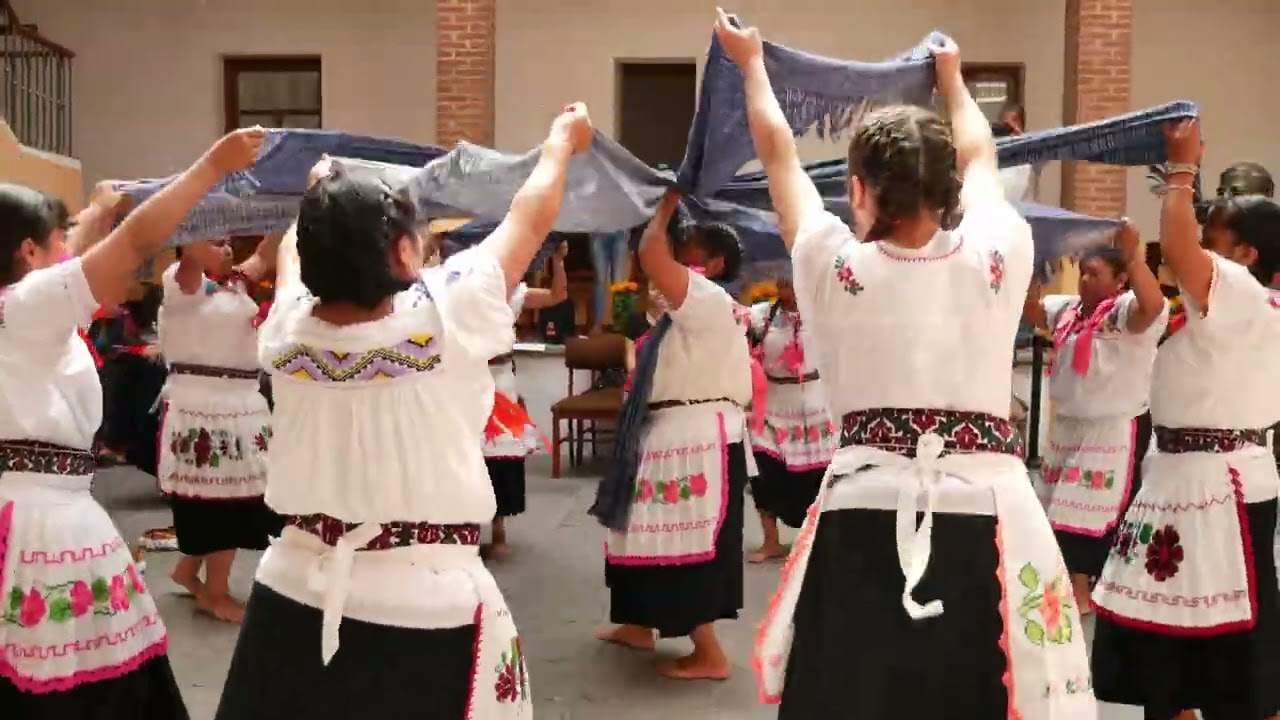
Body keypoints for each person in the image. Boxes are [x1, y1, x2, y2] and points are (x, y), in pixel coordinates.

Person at [713, 13, 1096, 717]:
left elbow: (779, 156)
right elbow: (982, 155)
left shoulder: (833, 264)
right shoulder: (998, 250)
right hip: (989, 514)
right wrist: (953, 80)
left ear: (858, 189)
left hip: (862, 511)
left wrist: (752, 64)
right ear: (950, 190)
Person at [213, 102, 593, 719]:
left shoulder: (285, 330)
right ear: (405, 253)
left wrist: (317, 196)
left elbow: (291, 260)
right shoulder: (446, 313)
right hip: (419, 604)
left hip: (291, 591)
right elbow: (532, 213)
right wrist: (561, 141)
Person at [0, 128, 263, 719]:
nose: (69, 253)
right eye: (56, 242)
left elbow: (74, 258)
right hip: (43, 521)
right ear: (28, 253)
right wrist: (211, 166)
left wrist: (97, 211)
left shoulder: (20, 310)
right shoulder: (27, 308)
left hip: (36, 504)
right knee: (80, 683)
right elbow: (136, 241)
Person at [1091, 119, 1280, 720]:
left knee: (1229, 656)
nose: (1201, 248)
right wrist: (1133, 253)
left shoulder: (1244, 293)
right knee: (1168, 655)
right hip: (1180, 475)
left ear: (1247, 254)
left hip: (1218, 484)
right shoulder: (1225, 304)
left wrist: (1181, 167)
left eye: (1213, 239)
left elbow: (1176, 250)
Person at [590, 192, 753, 681]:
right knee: (639, 533)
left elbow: (650, 254)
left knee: (686, 544)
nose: (679, 250)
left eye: (690, 246)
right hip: (670, 431)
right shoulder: (684, 309)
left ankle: (709, 652)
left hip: (695, 434)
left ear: (714, 264)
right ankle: (639, 624)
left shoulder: (706, 299)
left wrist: (664, 205)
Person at [1023, 223, 1167, 612]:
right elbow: (1032, 310)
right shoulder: (1067, 310)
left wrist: (1133, 255)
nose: (1085, 280)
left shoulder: (1126, 313)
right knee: (1056, 506)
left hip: (1112, 427)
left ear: (1120, 280)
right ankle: (1071, 588)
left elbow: (1153, 305)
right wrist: (1034, 264)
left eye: (1095, 274)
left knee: (1085, 508)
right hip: (1069, 427)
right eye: (1083, 272)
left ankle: (1086, 592)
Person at [155, 234, 281, 622]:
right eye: (215, 242)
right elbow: (191, 261)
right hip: (205, 408)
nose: (225, 249)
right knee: (219, 504)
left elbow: (264, 254)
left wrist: (289, 213)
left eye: (227, 243)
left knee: (236, 498)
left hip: (241, 405)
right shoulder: (180, 283)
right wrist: (196, 223)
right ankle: (214, 593)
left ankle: (188, 570)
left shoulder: (235, 285)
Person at [484, 240, 568, 557]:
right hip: (467, 379)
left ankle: (499, 529)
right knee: (468, 455)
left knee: (501, 454)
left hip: (501, 380)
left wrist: (558, 261)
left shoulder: (514, 293)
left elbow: (557, 296)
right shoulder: (459, 293)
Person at [745, 276, 835, 562]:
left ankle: (819, 539)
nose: (788, 287)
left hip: (815, 405)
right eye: (783, 282)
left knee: (820, 477)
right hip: (772, 406)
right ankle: (771, 541)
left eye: (794, 281)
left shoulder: (823, 313)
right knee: (763, 472)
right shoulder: (760, 316)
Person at [589, 229, 630, 333]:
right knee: (600, 280)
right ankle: (597, 323)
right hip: (598, 233)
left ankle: (620, 324)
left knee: (618, 280)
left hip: (620, 233)